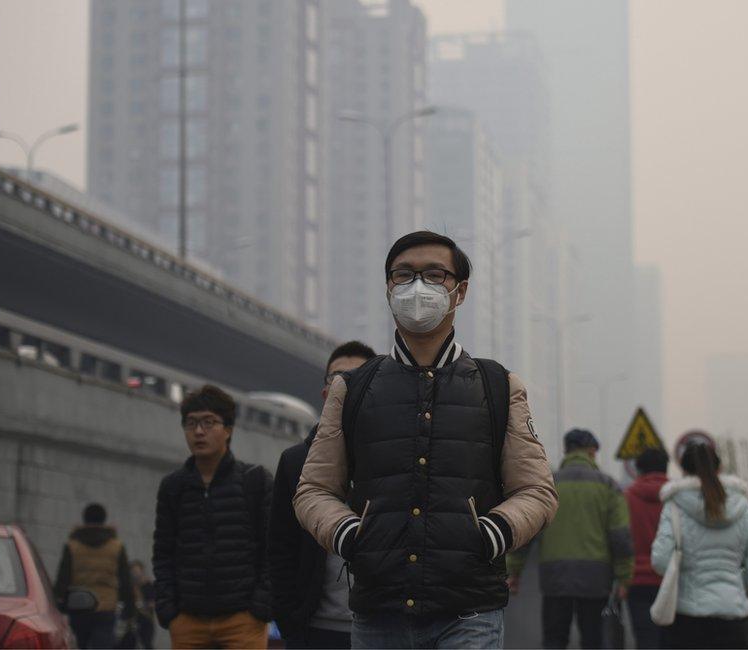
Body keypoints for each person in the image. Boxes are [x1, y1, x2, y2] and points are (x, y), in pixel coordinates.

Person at [294, 231, 558, 649]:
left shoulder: (498, 386)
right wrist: (348, 534)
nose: (418, 287)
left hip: (469, 611)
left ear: (460, 291)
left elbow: (537, 491)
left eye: (435, 275)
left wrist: (491, 533)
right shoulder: (353, 388)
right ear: (388, 288)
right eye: (404, 275)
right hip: (378, 610)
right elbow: (313, 489)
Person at [270, 340, 376, 649]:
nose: (347, 387)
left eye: (359, 378)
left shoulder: (398, 458)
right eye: (338, 379)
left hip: (383, 627)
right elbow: (280, 547)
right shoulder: (295, 463)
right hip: (314, 629)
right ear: (325, 393)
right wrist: (288, 620)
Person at [153, 384, 273, 649]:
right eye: (191, 423)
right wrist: (169, 611)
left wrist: (259, 608)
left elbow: (271, 550)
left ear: (228, 430)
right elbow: (163, 552)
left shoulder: (255, 481)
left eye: (209, 423)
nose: (198, 431)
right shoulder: (173, 487)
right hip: (187, 622)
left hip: (242, 621)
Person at [507, 429, 633, 649]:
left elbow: (526, 532)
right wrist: (624, 577)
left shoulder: (547, 486)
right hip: (596, 580)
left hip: (556, 579)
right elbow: (620, 536)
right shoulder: (608, 485)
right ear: (592, 452)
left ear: (567, 451)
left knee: (554, 640)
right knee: (593, 641)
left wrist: (514, 571)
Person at [651, 442, 748, 649]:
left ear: (684, 470)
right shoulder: (743, 507)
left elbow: (660, 561)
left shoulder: (674, 506)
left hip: (688, 619)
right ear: (719, 468)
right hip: (733, 615)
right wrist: (733, 583)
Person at [54, 503, 136, 649]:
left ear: (84, 519)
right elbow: (125, 580)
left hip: (78, 607)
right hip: (106, 607)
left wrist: (57, 605)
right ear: (104, 520)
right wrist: (129, 608)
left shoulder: (72, 546)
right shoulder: (116, 547)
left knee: (80, 644)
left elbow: (62, 579)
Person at [625, 448, 670, 649]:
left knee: (645, 640)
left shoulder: (626, 498)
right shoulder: (678, 499)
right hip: (672, 581)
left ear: (638, 470)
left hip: (638, 580)